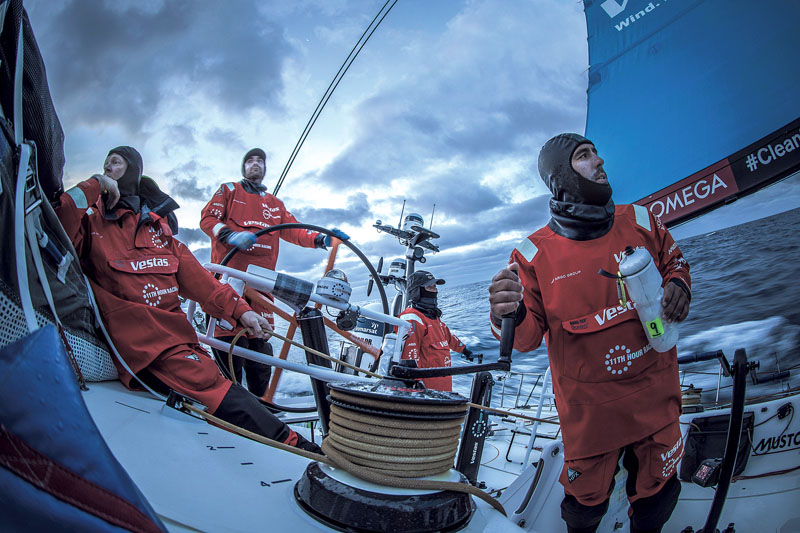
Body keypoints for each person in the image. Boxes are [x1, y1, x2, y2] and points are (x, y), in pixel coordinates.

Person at [56, 146, 320, 453]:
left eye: (115, 163)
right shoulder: (91, 224)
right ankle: (303, 450)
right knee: (221, 388)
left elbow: (204, 284)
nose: (108, 167)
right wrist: (92, 184)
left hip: (185, 339)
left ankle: (288, 439)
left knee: (252, 372)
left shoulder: (160, 231)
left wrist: (243, 312)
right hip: (148, 348)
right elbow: (56, 222)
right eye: (105, 165)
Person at [488, 133, 691, 533]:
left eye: (597, 153)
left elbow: (674, 262)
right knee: (584, 508)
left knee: (659, 499)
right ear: (561, 177)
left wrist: (680, 286)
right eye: (584, 157)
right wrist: (506, 312)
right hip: (590, 419)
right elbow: (526, 340)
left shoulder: (641, 221)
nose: (599, 162)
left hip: (657, 402)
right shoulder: (532, 256)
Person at [199, 147, 347, 397]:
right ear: (243, 167)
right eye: (249, 160)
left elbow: (295, 230)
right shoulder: (229, 190)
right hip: (229, 285)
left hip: (261, 287)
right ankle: (228, 409)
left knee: (260, 353)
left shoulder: (275, 205)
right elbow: (207, 220)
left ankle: (263, 408)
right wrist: (231, 235)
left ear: (265, 169)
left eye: (260, 161)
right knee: (231, 348)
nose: (255, 164)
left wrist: (322, 239)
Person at [399, 270, 478, 391]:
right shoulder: (412, 319)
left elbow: (448, 338)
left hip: (443, 389)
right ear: (416, 292)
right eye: (429, 287)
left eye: (435, 287)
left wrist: (464, 350)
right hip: (426, 395)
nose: (435, 291)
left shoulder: (434, 318)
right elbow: (409, 359)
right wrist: (416, 384)